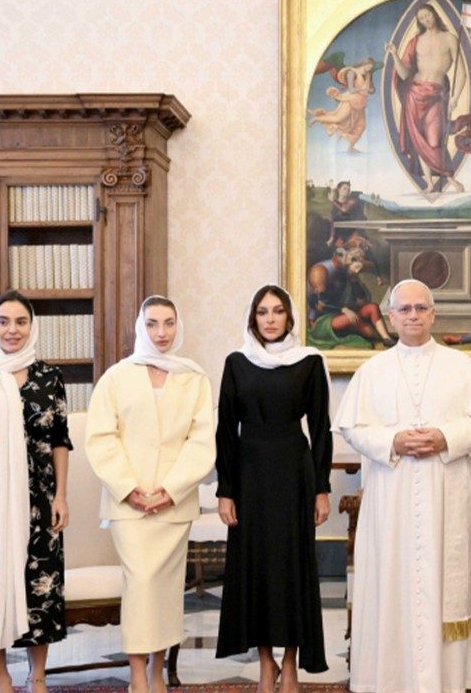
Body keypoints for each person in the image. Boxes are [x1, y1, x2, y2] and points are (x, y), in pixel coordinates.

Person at [334, 279, 471, 693]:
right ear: (391, 317)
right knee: (392, 581)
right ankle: (391, 679)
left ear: (433, 314)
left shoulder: (461, 366)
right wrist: (392, 441)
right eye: (404, 309)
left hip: (448, 491)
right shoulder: (372, 371)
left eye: (421, 308)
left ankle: (448, 680)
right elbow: (354, 428)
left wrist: (446, 437)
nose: (413, 315)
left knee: (446, 582)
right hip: (390, 494)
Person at [84, 295, 216, 693]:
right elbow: (101, 438)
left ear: (178, 326)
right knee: (141, 584)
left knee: (166, 591)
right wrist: (130, 490)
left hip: (174, 505)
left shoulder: (195, 379)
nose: (161, 332)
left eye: (169, 323)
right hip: (130, 505)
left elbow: (201, 441)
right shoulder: (116, 378)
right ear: (140, 327)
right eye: (153, 323)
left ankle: (158, 669)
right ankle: (138, 674)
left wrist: (171, 490)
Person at [215, 284, 332, 693]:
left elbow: (320, 429)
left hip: (294, 474)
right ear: (253, 318)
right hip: (249, 476)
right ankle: (266, 663)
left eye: (277, 311)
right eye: (262, 312)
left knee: (292, 568)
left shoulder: (309, 362)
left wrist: (321, 488)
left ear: (289, 317)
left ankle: (290, 662)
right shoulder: (237, 362)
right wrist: (225, 490)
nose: (269, 319)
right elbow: (225, 430)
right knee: (256, 571)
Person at [0, 290, 72, 693]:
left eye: (21, 322)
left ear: (32, 326)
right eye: (3, 321)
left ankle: (37, 675)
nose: (12, 330)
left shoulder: (49, 377)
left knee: (41, 584)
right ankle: (1, 676)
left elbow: (60, 440)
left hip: (40, 500)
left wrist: (61, 496)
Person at [385, 4, 471, 194]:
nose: (426, 20)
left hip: (436, 94)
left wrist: (455, 98)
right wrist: (394, 54)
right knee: (418, 140)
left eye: (428, 15)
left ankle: (450, 178)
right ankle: (430, 183)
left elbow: (461, 72)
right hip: (414, 94)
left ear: (435, 14)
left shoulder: (450, 39)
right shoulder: (415, 41)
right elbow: (404, 74)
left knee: (434, 139)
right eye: (421, 18)